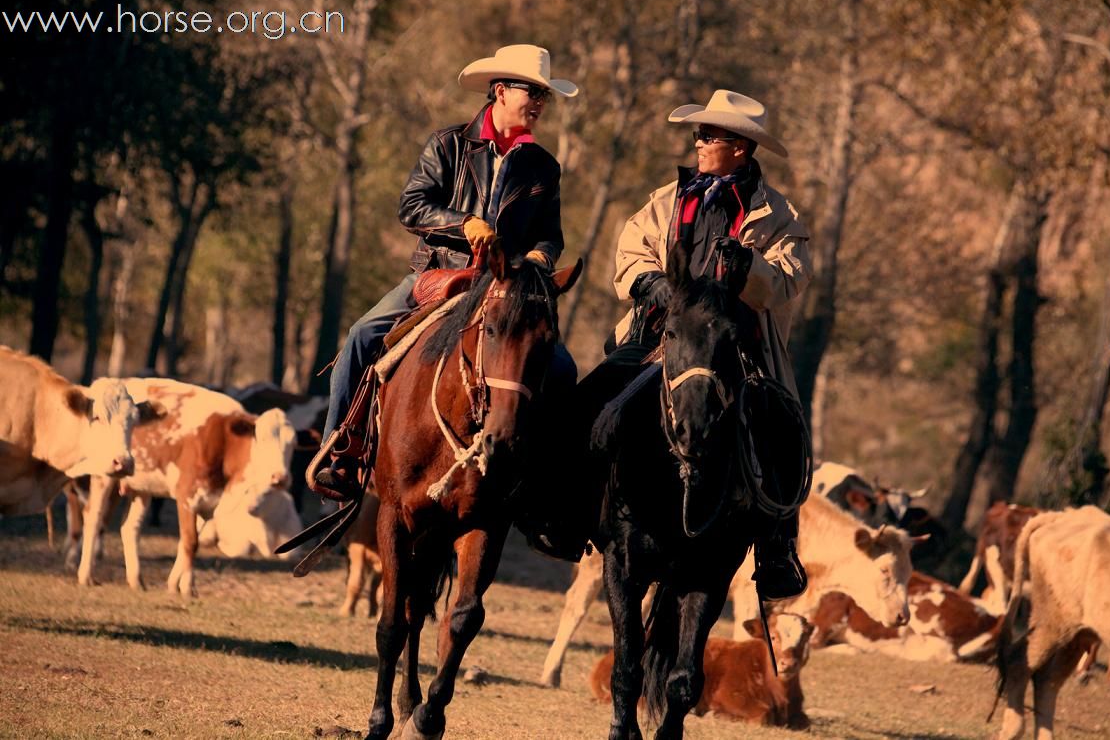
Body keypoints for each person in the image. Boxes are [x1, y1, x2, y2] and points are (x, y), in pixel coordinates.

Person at [313, 45, 580, 553]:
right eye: (533, 91)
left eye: (544, 94)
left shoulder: (544, 166)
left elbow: (551, 235)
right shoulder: (448, 144)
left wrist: (542, 260)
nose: (540, 102)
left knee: (562, 370)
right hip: (441, 274)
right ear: (501, 91)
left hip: (504, 287)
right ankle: (340, 455)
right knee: (362, 334)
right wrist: (464, 224)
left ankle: (544, 495)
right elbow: (412, 205)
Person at [556, 89, 814, 598]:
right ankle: (566, 510)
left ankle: (777, 547)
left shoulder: (779, 216)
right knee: (595, 398)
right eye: (699, 133)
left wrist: (750, 270)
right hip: (660, 335)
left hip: (736, 344)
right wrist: (650, 283)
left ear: (740, 147)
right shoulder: (667, 200)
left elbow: (789, 280)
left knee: (783, 426)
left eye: (709, 135)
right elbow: (631, 252)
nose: (698, 142)